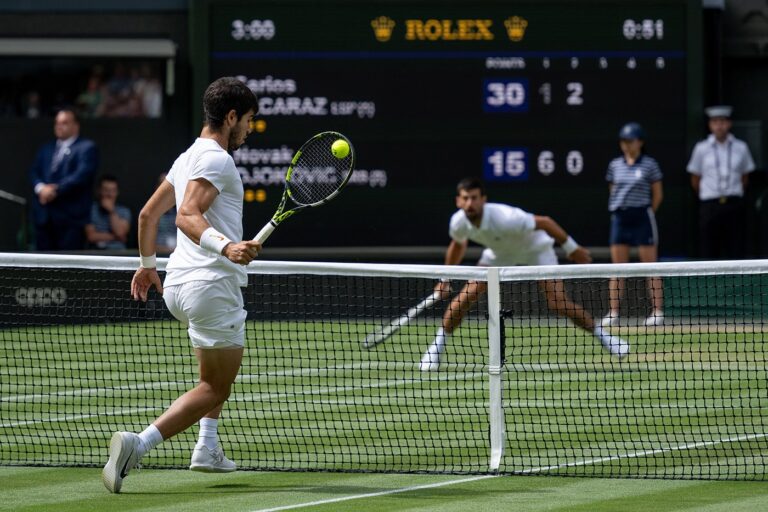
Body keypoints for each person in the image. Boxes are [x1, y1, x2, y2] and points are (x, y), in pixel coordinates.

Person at [102, 77, 261, 493]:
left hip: (179, 285)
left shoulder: (186, 157)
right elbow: (186, 217)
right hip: (211, 285)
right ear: (230, 117)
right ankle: (140, 443)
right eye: (247, 120)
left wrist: (147, 265)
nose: (248, 129)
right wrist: (226, 246)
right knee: (215, 386)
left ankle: (207, 447)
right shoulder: (218, 159)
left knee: (212, 376)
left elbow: (146, 217)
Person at [420, 178, 629, 372]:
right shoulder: (458, 222)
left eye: (474, 197)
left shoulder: (506, 218)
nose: (470, 203)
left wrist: (572, 248)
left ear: (483, 200)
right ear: (458, 201)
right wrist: (444, 279)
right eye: (465, 198)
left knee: (558, 302)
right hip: (499, 254)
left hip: (536, 249)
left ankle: (605, 337)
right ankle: (436, 349)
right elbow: (458, 245)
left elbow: (545, 222)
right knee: (468, 295)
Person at [602, 123, 664, 328]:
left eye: (630, 141)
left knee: (650, 267)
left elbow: (657, 194)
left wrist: (645, 213)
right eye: (623, 141)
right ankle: (613, 313)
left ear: (640, 142)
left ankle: (657, 311)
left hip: (642, 218)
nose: (626, 145)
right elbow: (613, 190)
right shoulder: (614, 165)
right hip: (620, 218)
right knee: (618, 269)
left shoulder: (650, 165)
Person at [687, 105, 755, 259]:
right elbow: (695, 178)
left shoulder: (741, 147)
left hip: (734, 203)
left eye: (723, 121)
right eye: (715, 122)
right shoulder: (701, 148)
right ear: (710, 125)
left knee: (735, 243)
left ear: (729, 124)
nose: (719, 126)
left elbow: (745, 176)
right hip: (710, 204)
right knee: (708, 245)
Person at [28, 108, 98, 250]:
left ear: (76, 125)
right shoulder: (46, 149)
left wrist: (55, 189)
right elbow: (34, 172)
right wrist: (41, 188)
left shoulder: (86, 148)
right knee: (42, 266)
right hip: (44, 218)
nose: (59, 126)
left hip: (70, 219)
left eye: (64, 122)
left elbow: (81, 175)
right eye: (57, 123)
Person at [85, 174, 132, 250]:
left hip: (118, 253)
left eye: (113, 191)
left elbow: (120, 233)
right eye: (106, 190)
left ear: (117, 192)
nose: (109, 194)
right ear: (99, 191)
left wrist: (112, 212)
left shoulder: (124, 211)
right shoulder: (90, 209)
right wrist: (117, 237)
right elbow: (91, 236)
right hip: (95, 253)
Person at [155, 172, 177, 253]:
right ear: (157, 187)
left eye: (171, 186)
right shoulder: (150, 214)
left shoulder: (183, 212)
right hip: (156, 259)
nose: (167, 189)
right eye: (162, 185)